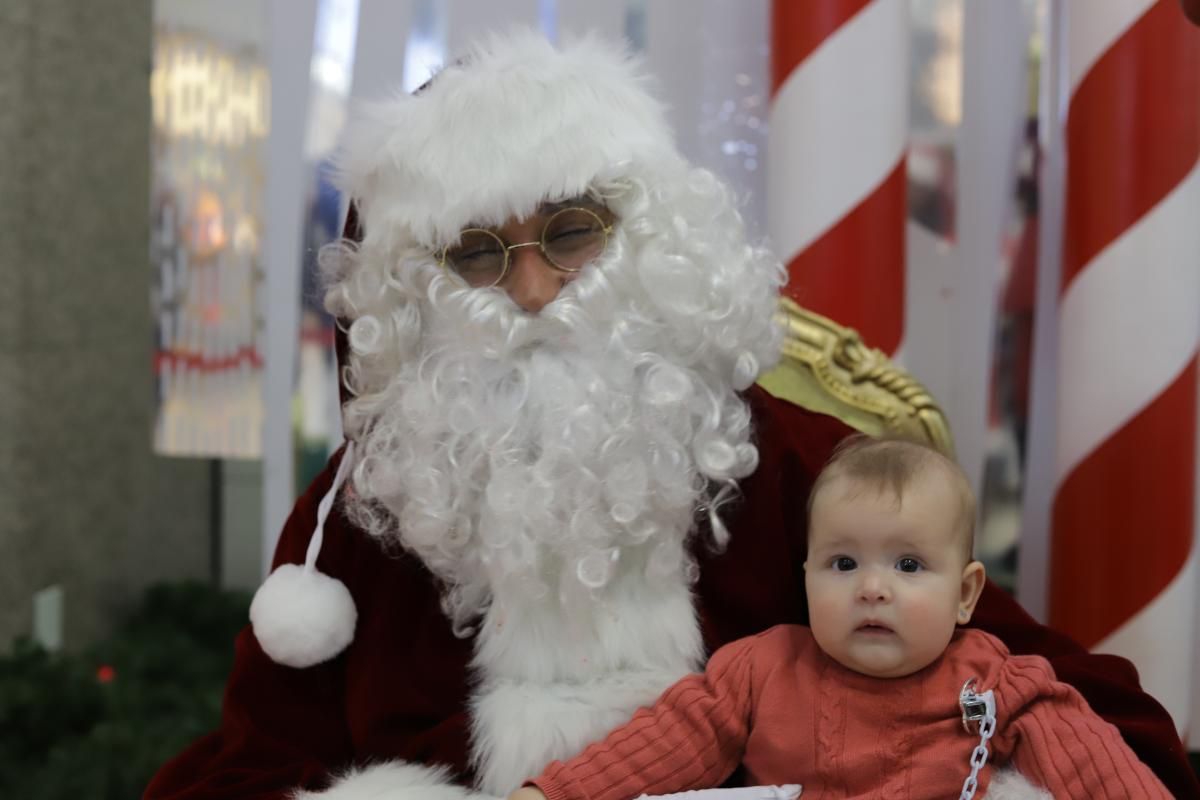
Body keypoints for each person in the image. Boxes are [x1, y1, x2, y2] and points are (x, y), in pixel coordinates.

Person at [145, 31, 1200, 800]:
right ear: (417, 282)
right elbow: (253, 758)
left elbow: (1038, 681)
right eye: (477, 252)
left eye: (569, 231)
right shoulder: (366, 509)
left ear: (645, 232)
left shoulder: (781, 458)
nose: (532, 291)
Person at [509, 437, 1172, 800]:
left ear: (966, 594)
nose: (873, 589)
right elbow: (666, 744)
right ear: (806, 579)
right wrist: (557, 794)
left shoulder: (993, 681)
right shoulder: (761, 670)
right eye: (844, 564)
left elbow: (1086, 758)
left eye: (909, 567)